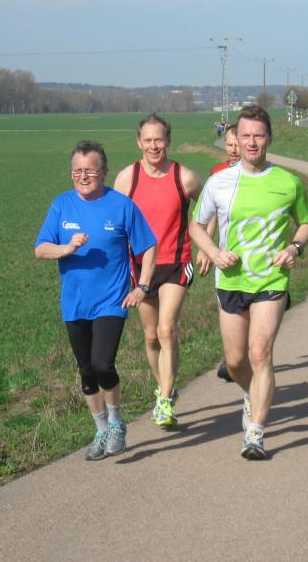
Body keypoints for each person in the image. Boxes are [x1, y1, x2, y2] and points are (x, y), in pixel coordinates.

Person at [189, 105, 308, 460]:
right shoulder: (219, 182)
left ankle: (255, 433)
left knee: (260, 353)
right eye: (245, 136)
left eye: (258, 135)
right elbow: (197, 226)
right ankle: (252, 393)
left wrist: (294, 248)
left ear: (269, 138)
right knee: (235, 361)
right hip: (231, 281)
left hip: (271, 280)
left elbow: (305, 223)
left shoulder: (287, 182)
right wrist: (214, 253)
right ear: (236, 139)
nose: (252, 142)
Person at [35, 140, 156, 461]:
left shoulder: (122, 206)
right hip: (74, 303)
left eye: (89, 170)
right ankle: (101, 429)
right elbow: (40, 249)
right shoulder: (61, 205)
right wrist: (65, 248)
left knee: (103, 364)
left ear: (104, 172)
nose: (83, 176)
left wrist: (142, 286)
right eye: (77, 171)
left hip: (111, 301)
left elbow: (148, 246)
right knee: (86, 371)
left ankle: (116, 422)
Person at [113, 114, 202, 429]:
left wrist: (205, 243)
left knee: (167, 330)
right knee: (151, 336)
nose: (154, 146)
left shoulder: (184, 177)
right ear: (139, 142)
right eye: (148, 140)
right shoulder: (127, 178)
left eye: (159, 139)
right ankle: (165, 385)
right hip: (140, 267)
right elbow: (115, 220)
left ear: (168, 141)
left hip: (176, 262)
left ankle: (164, 400)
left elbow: (209, 207)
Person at [206, 124, 239, 382]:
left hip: (258, 256)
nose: (234, 149)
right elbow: (211, 215)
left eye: (238, 143)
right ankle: (232, 356)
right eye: (229, 144)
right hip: (226, 255)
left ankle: (241, 357)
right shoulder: (216, 174)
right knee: (225, 306)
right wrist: (207, 248)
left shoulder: (262, 175)